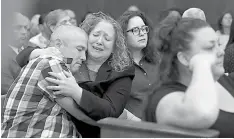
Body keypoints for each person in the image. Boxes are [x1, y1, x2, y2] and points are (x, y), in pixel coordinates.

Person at [15, 11, 135, 137]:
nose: (100, 41)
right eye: (95, 35)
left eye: (107, 38)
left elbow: (111, 110)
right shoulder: (70, 57)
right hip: (54, 128)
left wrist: (76, 91)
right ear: (86, 36)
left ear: (114, 46)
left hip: (95, 133)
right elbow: (23, 57)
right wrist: (41, 52)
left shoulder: (121, 70)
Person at [145, 16, 234, 137]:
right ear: (184, 58)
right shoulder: (165, 99)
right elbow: (203, 113)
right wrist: (201, 63)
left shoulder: (225, 81)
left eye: (219, 44)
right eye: (209, 47)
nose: (221, 52)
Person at [1, 25, 88, 138]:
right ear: (58, 45)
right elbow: (81, 115)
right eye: (79, 49)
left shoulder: (43, 61)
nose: (84, 57)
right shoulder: (52, 63)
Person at [117, 10, 160, 120]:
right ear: (123, 35)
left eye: (144, 29)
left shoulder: (157, 61)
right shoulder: (117, 67)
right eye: (135, 30)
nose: (142, 33)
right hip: (132, 129)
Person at [1, 12, 30, 95]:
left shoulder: (33, 47)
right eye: (18, 27)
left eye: (26, 28)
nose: (24, 32)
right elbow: (9, 89)